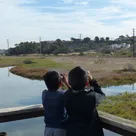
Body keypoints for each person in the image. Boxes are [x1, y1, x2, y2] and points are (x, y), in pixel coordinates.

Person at [64, 66, 105, 136]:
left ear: (70, 83)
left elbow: (73, 92)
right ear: (86, 83)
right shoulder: (92, 97)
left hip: (73, 132)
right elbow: (101, 95)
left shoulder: (66, 95)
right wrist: (92, 81)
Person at [42, 71, 70, 136]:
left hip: (48, 128)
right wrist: (66, 82)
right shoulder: (63, 94)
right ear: (60, 84)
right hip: (61, 128)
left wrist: (59, 81)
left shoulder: (44, 94)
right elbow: (74, 94)